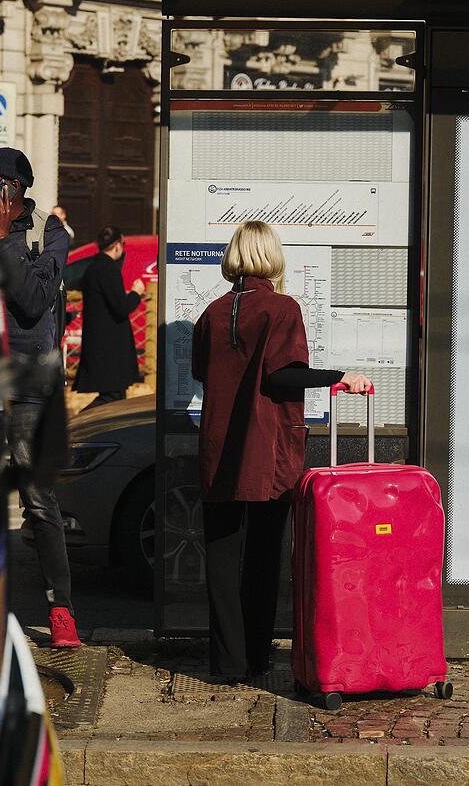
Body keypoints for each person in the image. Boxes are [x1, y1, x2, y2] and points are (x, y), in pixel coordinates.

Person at [191, 220, 371, 680]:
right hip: (267, 451)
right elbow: (284, 374)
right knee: (264, 556)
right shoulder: (282, 308)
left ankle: (227, 663)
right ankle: (255, 657)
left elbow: (201, 373)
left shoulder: (211, 312)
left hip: (218, 449)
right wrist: (339, 377)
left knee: (222, 559)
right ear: (271, 257)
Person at [0, 146, 81, 649]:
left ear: (15, 188)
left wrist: (4, 240)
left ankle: (60, 608)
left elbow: (34, 299)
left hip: (28, 385)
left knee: (38, 500)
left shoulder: (49, 232)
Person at [73, 225, 145, 409]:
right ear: (117, 245)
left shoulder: (93, 268)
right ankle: (81, 422)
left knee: (114, 397)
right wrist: (136, 293)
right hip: (110, 348)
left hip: (101, 344)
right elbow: (121, 307)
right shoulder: (108, 269)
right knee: (112, 397)